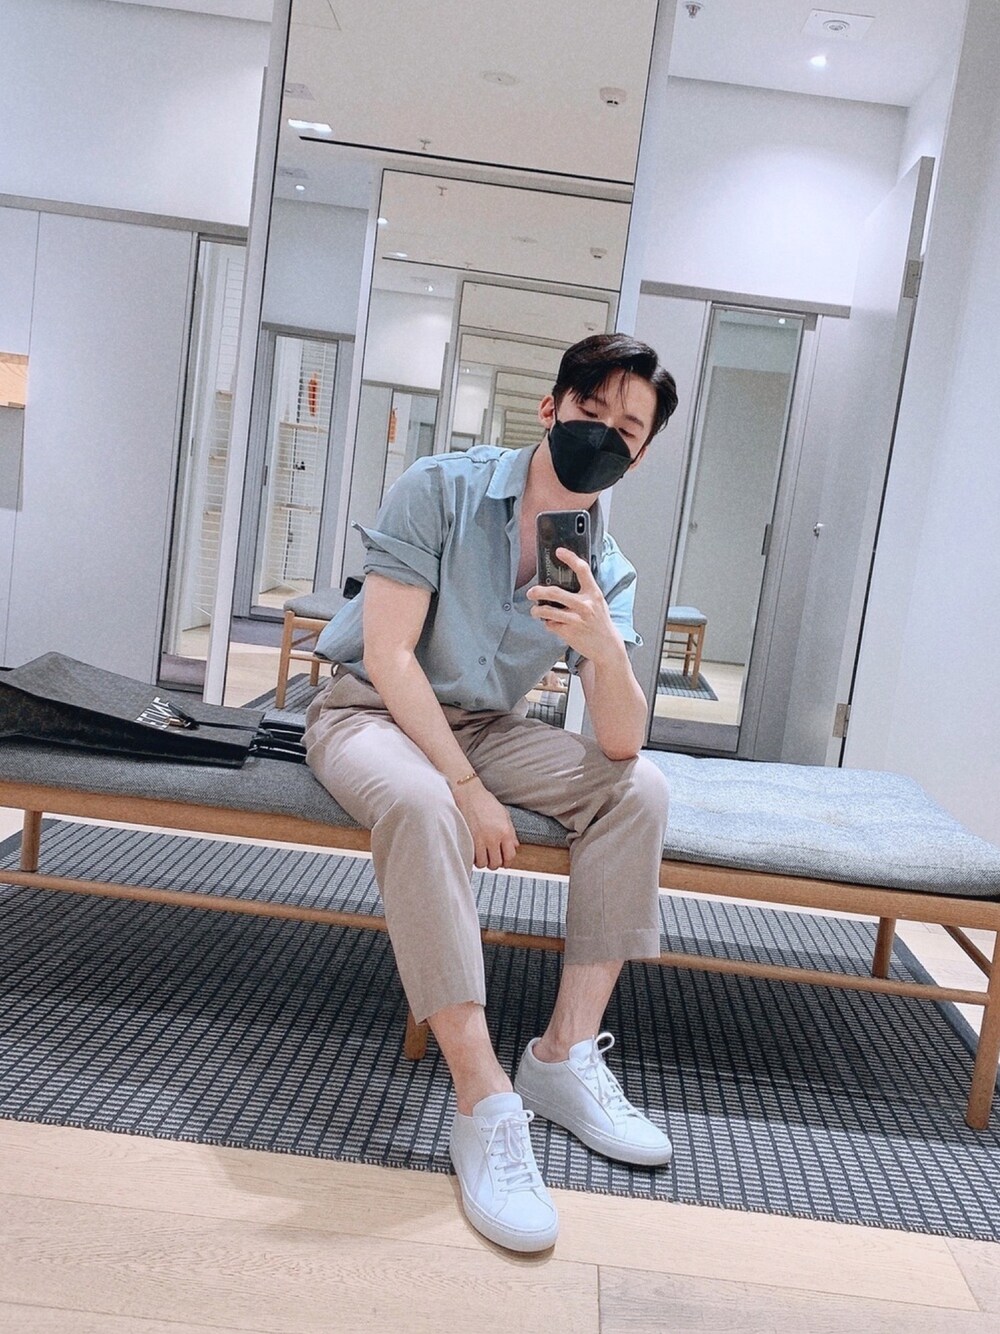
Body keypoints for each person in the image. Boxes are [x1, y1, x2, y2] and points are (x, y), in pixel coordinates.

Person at [304, 333, 678, 1252]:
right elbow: (390, 654)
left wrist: (603, 648)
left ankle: (563, 1055)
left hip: (483, 725)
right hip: (370, 710)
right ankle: (484, 1099)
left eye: (628, 429)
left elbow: (621, 743)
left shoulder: (605, 565)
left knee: (639, 790)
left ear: (640, 456)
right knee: (426, 803)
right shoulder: (442, 487)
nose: (604, 434)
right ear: (551, 409)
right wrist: (468, 788)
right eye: (591, 410)